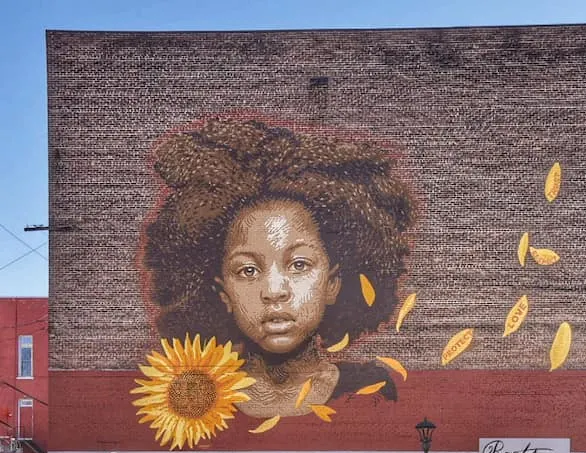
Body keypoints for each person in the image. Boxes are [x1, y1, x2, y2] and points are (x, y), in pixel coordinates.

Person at [140, 118, 416, 417]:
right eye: (248, 271)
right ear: (223, 294)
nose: (273, 291)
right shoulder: (196, 403)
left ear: (333, 284)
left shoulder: (371, 392)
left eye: (299, 265)